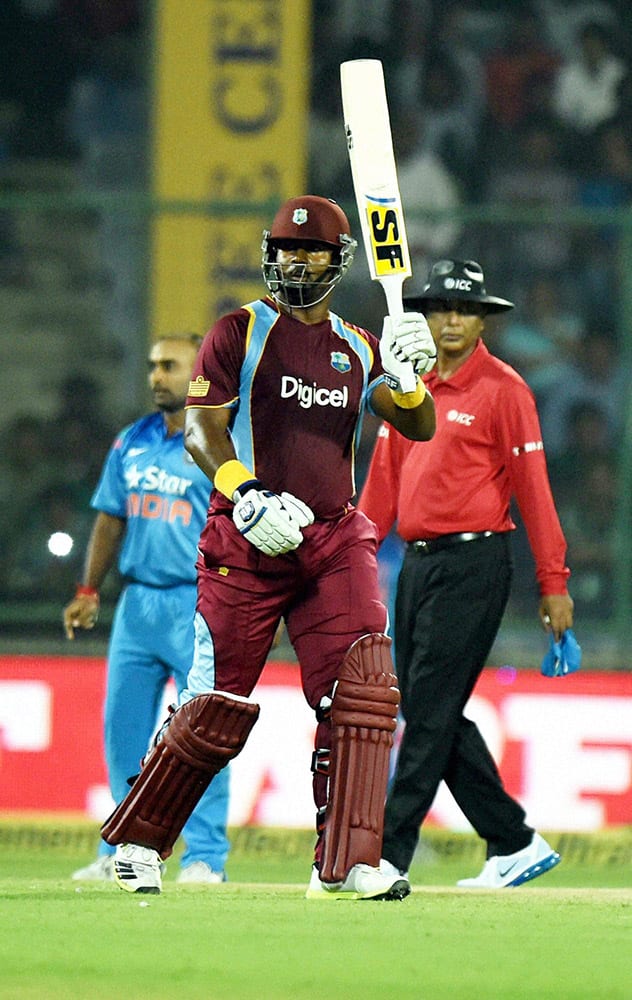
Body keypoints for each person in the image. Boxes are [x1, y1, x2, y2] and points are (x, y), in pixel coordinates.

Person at [98, 194, 437, 900]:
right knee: (213, 700)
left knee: (362, 693)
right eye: (285, 247)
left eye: (310, 249)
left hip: (333, 537)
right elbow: (200, 430)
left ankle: (347, 862)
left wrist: (411, 376)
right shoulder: (237, 332)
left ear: (339, 260)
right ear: (270, 253)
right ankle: (139, 842)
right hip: (245, 538)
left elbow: (419, 424)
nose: (296, 259)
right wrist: (246, 493)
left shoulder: (358, 345)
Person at [358, 258, 574, 889]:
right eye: (440, 309)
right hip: (417, 568)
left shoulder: (506, 391)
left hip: (476, 563)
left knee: (427, 711)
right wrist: (351, 560)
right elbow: (381, 486)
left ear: (483, 320)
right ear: (423, 317)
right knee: (432, 707)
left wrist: (553, 582)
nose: (452, 321)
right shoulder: (410, 387)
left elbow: (534, 491)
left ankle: (387, 852)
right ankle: (513, 842)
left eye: (465, 310)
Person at [64, 332, 231, 885]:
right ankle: (124, 848)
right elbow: (111, 516)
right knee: (125, 732)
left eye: (169, 365)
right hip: (136, 605)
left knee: (200, 737)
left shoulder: (218, 441)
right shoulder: (130, 440)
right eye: (153, 365)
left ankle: (205, 857)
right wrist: (88, 591)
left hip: (198, 602)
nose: (157, 375)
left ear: (198, 374)